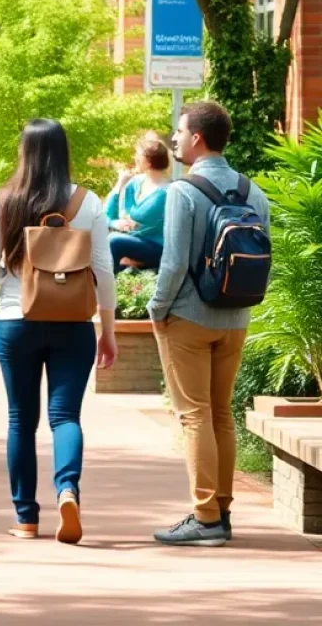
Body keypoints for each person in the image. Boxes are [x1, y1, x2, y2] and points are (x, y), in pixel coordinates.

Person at [0, 119, 117, 544]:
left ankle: (26, 518)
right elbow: (104, 270)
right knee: (65, 416)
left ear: (24, 152)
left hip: (15, 320)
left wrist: (12, 276)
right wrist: (108, 330)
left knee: (21, 420)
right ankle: (67, 489)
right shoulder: (88, 203)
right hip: (74, 324)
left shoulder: (3, 200)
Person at [149, 101, 268, 548]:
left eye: (179, 132)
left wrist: (157, 309)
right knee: (221, 412)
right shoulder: (253, 191)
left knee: (194, 414)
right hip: (236, 317)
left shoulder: (183, 192)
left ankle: (204, 518)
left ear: (197, 138)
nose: (174, 139)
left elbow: (174, 263)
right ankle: (222, 509)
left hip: (189, 317)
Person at [106, 131, 170, 275]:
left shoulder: (165, 192)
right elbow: (108, 216)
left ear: (148, 162)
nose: (135, 158)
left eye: (138, 155)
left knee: (113, 240)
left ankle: (102, 286)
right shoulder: (135, 183)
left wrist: (124, 223)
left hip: (156, 247)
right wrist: (119, 185)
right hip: (133, 241)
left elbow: (136, 221)